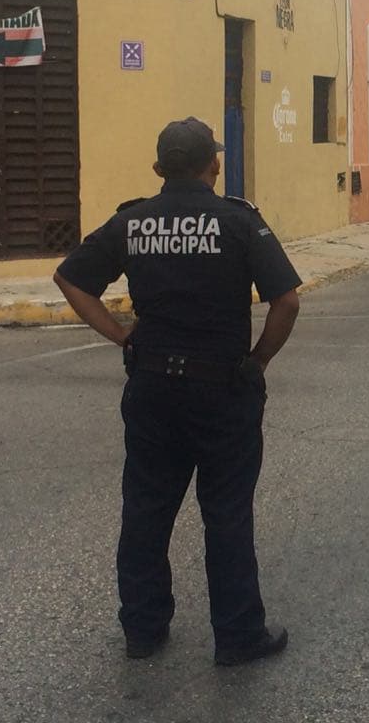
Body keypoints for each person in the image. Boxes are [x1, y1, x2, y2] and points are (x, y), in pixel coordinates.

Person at [53, 117, 301, 667]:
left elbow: (70, 278)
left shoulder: (132, 221)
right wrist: (258, 361)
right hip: (222, 390)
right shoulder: (239, 221)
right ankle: (238, 635)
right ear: (213, 164)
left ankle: (143, 630)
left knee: (146, 509)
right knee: (227, 512)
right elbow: (286, 301)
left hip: (153, 388)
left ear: (159, 168)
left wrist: (121, 334)